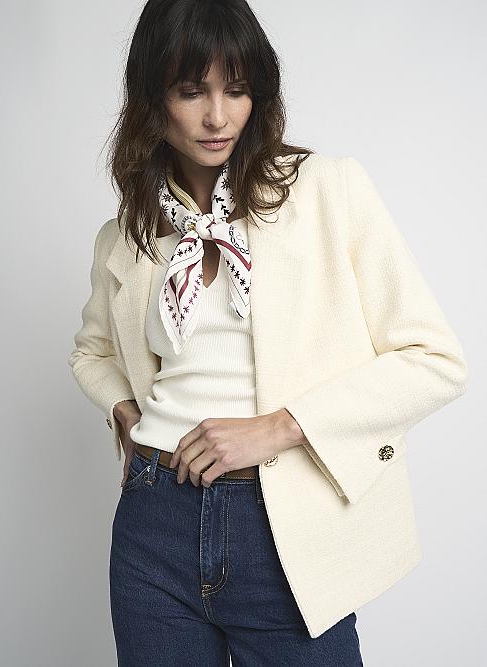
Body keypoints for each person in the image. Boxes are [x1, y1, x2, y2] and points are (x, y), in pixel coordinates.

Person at [68, 1, 468, 665]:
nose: (218, 117)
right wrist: (129, 416)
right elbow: (92, 351)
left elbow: (434, 360)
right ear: (152, 100)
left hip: (285, 525)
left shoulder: (324, 191)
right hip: (153, 526)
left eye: (237, 89)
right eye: (191, 91)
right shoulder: (126, 236)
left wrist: (280, 426)